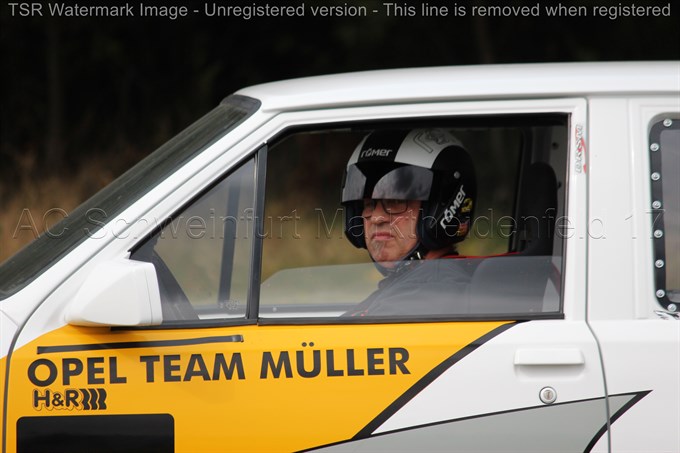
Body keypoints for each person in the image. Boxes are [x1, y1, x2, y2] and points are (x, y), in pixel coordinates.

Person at [341, 128, 477, 316]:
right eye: (369, 204)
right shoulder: (407, 287)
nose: (377, 217)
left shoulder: (426, 298)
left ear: (442, 208)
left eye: (396, 201)